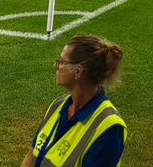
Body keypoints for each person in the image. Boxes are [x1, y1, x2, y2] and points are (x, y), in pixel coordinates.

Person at [24, 35, 126, 167]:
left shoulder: (110, 128)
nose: (56, 65)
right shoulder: (58, 105)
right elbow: (31, 157)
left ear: (78, 71)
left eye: (62, 61)